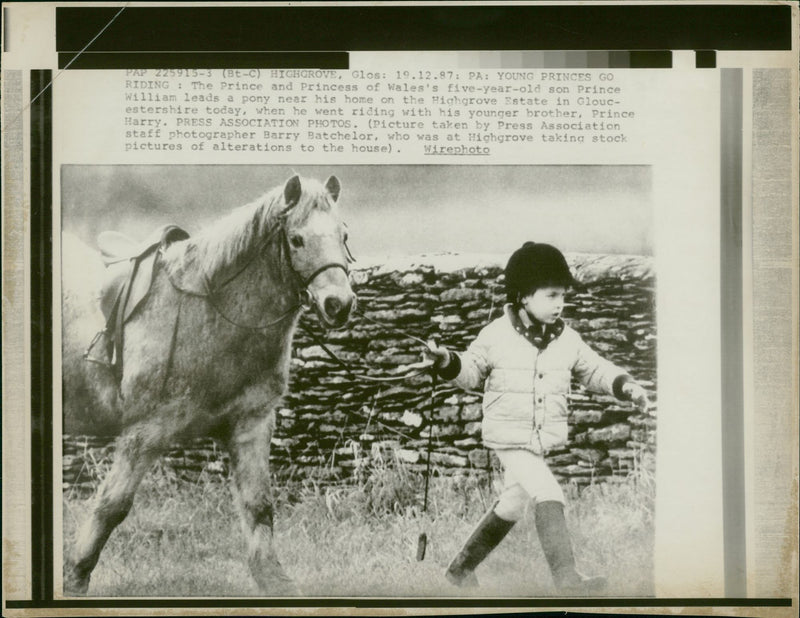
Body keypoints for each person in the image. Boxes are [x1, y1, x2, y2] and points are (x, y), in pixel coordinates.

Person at [426, 241, 649, 595]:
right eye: (551, 295)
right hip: (509, 437)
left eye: (563, 296)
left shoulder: (568, 340)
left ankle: (460, 569)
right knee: (548, 492)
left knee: (513, 504)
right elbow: (470, 372)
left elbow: (596, 371)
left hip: (537, 439)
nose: (560, 303)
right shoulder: (495, 335)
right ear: (524, 297)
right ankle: (567, 579)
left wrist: (626, 386)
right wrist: (446, 361)